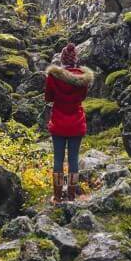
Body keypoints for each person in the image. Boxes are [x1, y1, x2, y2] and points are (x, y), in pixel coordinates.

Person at [44, 43, 94, 203]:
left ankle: (58, 196)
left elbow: (48, 97)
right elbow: (82, 98)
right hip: (76, 123)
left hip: (58, 123)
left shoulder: (53, 77)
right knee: (73, 160)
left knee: (58, 160)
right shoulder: (82, 79)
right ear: (75, 60)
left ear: (62, 60)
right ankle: (71, 196)